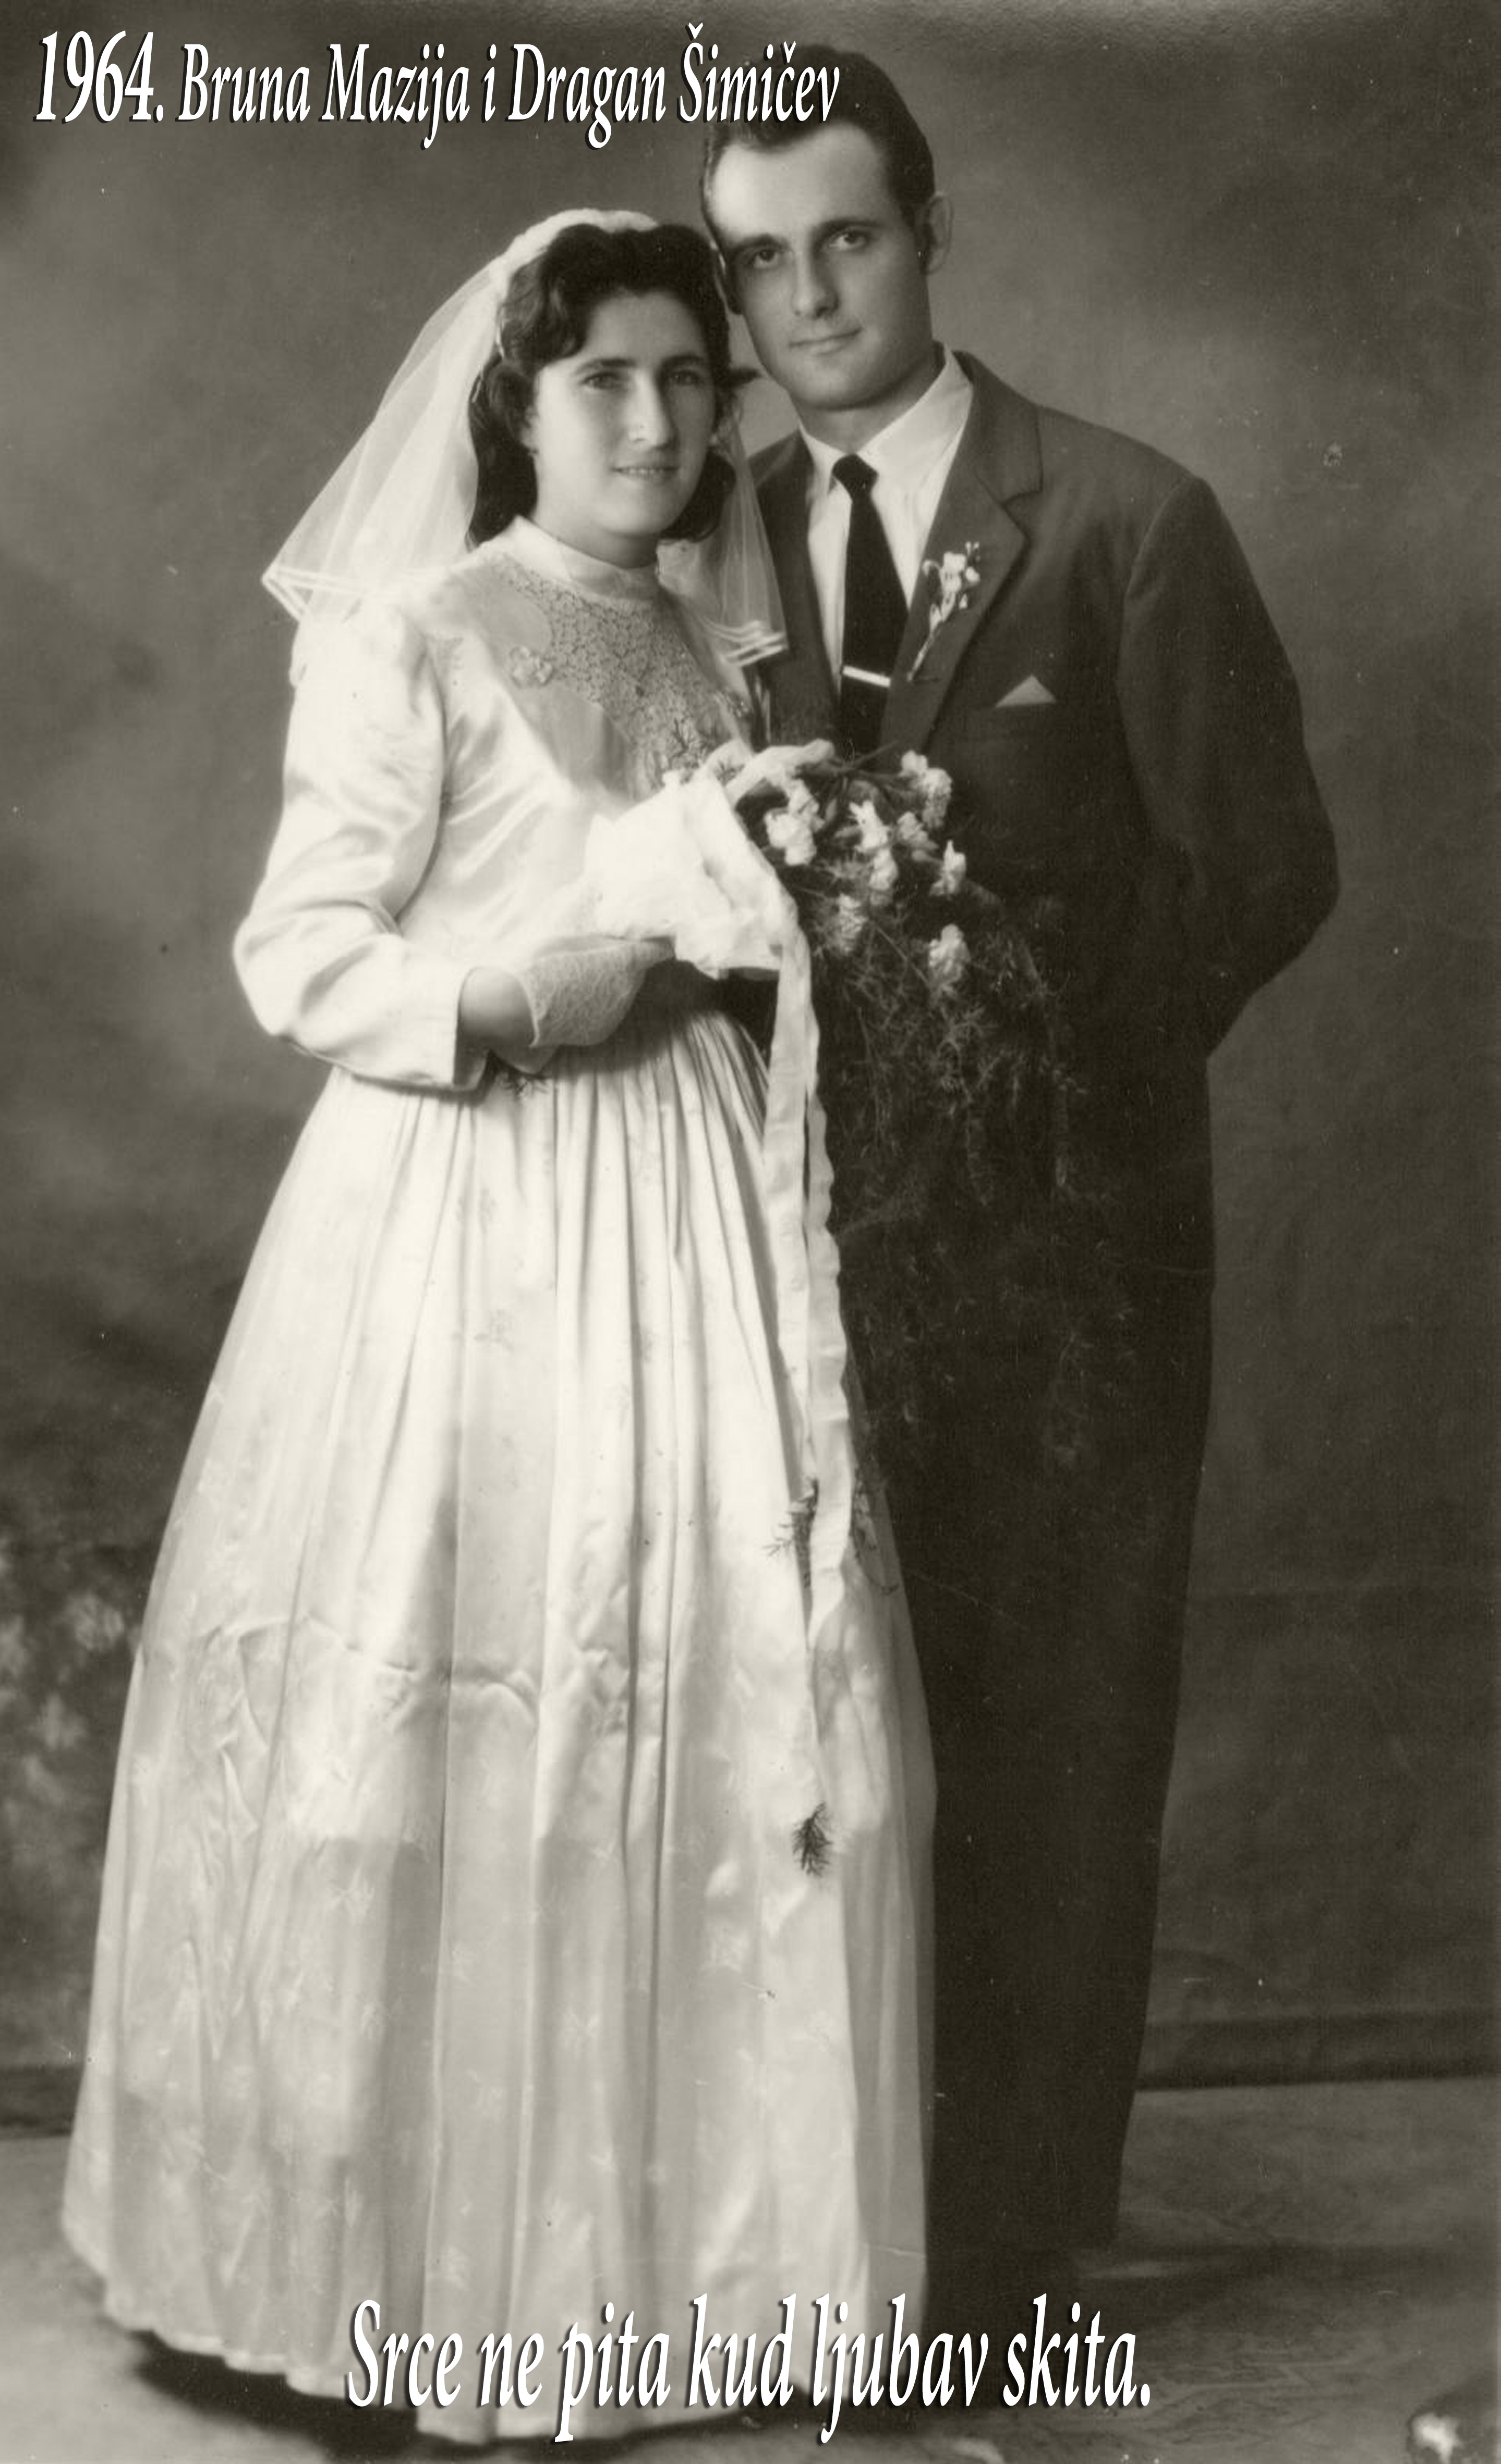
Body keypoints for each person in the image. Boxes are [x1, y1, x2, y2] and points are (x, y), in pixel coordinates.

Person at [62, 211, 931, 2438]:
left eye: (688, 380)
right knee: (477, 1697)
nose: (656, 422)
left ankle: (699, 2275)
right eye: (604, 381)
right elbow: (302, 947)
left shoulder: (724, 653)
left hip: (691, 1208)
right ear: (517, 407)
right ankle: (438, 2278)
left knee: (713, 1680)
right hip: (471, 1214)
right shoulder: (418, 635)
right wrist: (503, 1000)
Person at [702, 53, 1339, 2331]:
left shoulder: (1127, 519)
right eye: (761, 264)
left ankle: (1026, 2235)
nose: (808, 299)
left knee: (1063, 1713)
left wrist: (1036, 1073)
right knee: (831, 1723)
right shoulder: (706, 543)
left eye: (847, 241)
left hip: (1076, 1257)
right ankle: (846, 2209)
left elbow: (1266, 869)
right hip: (789, 1254)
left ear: (929, 234)